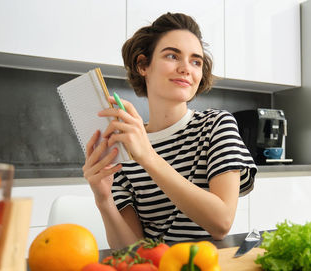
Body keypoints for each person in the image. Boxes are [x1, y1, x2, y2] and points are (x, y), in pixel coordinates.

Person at [81, 12, 256, 248]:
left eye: (196, 61)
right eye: (173, 56)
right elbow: (133, 251)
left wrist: (148, 156)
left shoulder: (217, 125)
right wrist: (104, 201)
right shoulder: (124, 145)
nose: (186, 68)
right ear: (143, 65)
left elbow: (221, 223)